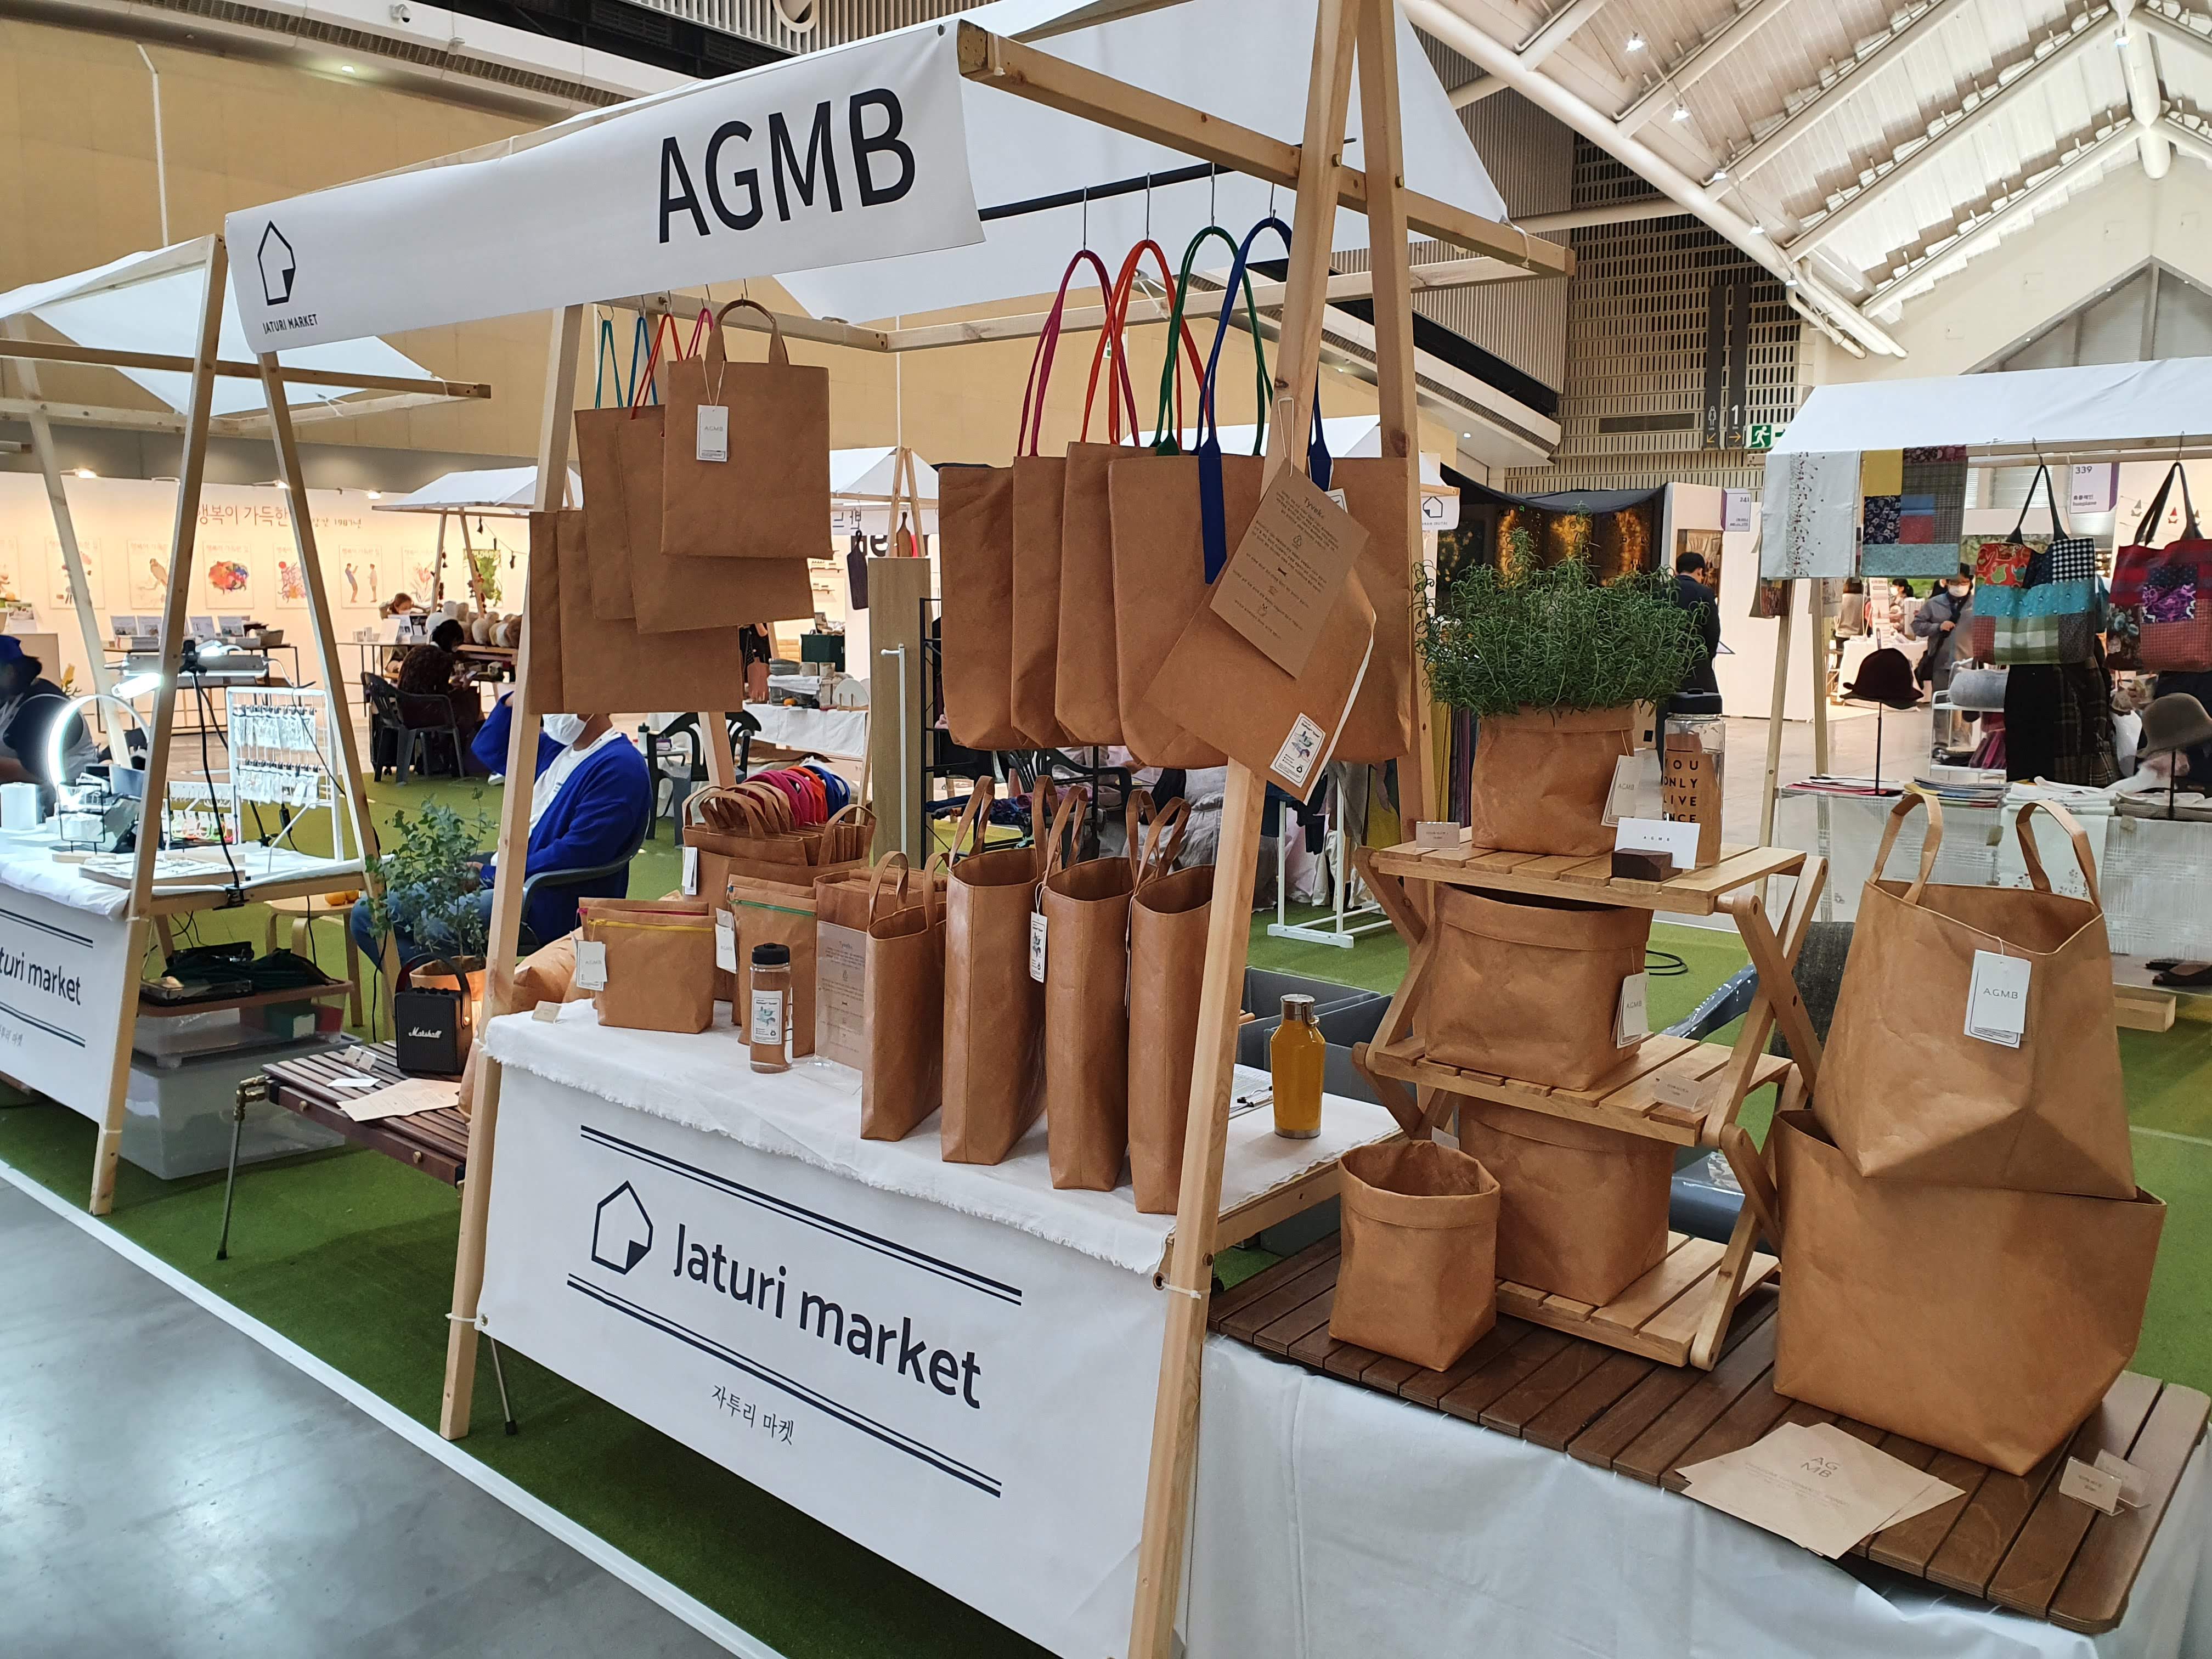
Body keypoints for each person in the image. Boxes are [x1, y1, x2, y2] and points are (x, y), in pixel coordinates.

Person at [352, 693, 650, 970]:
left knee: (436, 926)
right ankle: (434, 996)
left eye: (556, 700)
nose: (549, 712)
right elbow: (490, 747)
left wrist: (492, 874)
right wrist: (517, 697)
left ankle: (447, 998)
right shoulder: (558, 750)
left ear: (594, 698)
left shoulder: (619, 766)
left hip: (549, 897)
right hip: (512, 874)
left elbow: (579, 853)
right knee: (369, 914)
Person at [0, 637, 97, 796]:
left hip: (63, 799)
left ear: (9, 672)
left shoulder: (43, 705)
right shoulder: (11, 696)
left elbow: (34, 773)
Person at [395, 617, 485, 763]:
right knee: (469, 702)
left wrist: (451, 685)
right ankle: (460, 757)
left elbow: (428, 686)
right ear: (452, 641)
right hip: (424, 714)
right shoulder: (442, 658)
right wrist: (463, 687)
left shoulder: (416, 651)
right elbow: (443, 697)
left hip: (404, 711)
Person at [1913, 566, 1975, 695]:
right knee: (1941, 702)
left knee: (1965, 702)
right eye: (1955, 582)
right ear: (1947, 582)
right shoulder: (1933, 604)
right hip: (1940, 664)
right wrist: (1938, 627)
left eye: (1964, 582)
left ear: (1970, 583)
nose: (1959, 586)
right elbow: (1917, 626)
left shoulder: (1978, 605)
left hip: (1968, 665)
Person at [1671, 551, 1721, 698]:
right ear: (1699, 571)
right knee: (1699, 705)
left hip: (1666, 664)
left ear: (1677, 570)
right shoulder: (1705, 593)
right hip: (1696, 664)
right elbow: (1713, 631)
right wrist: (1706, 656)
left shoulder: (1662, 590)